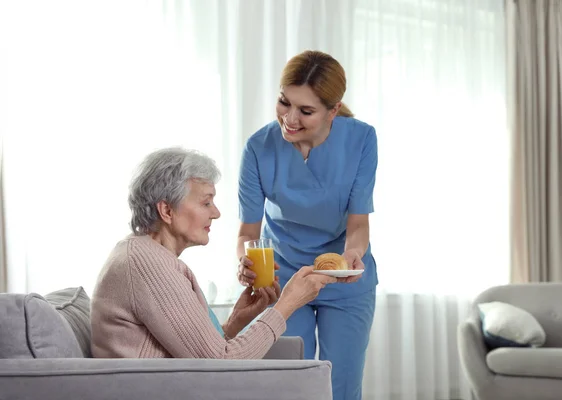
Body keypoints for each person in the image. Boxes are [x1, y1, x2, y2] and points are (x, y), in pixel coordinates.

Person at [91, 147, 336, 359]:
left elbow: (200, 352)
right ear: (166, 210)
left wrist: (236, 320)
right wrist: (288, 303)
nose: (216, 213)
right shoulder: (145, 263)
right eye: (206, 202)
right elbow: (222, 363)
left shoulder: (144, 255)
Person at [236, 50, 378, 399]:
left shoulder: (361, 140)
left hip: (344, 277)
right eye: (284, 102)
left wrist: (353, 255)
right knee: (287, 385)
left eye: (306, 110)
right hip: (281, 281)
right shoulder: (258, 147)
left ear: (333, 110)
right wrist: (246, 262)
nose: (289, 118)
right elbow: (247, 233)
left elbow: (358, 222)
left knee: (340, 387)